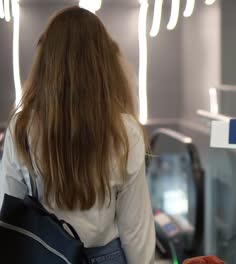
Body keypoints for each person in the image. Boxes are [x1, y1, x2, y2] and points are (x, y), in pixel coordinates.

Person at [0, 6, 155, 264]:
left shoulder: (22, 127)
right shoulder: (126, 131)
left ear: (46, 61)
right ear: (104, 62)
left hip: (43, 255)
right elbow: (135, 230)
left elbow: (9, 215)